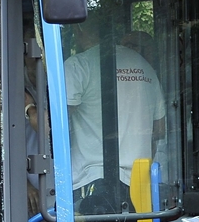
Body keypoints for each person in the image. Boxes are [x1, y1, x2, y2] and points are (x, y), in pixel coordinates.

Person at [64, 21, 165, 212]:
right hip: (140, 187)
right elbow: (159, 130)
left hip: (91, 185)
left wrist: (29, 107)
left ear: (78, 30)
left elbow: (51, 126)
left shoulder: (79, 65)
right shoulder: (144, 66)